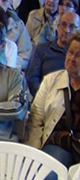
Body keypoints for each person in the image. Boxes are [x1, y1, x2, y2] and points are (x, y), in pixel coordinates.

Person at [26, 31, 80, 167]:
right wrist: (34, 155)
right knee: (47, 177)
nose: (72, 58)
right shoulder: (51, 80)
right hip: (58, 144)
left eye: (78, 55)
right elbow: (35, 121)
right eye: (70, 52)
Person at [26, 12, 80, 97]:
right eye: (63, 25)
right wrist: (46, 96)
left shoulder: (74, 57)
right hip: (44, 97)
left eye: (72, 27)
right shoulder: (41, 49)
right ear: (58, 27)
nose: (67, 30)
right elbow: (32, 79)